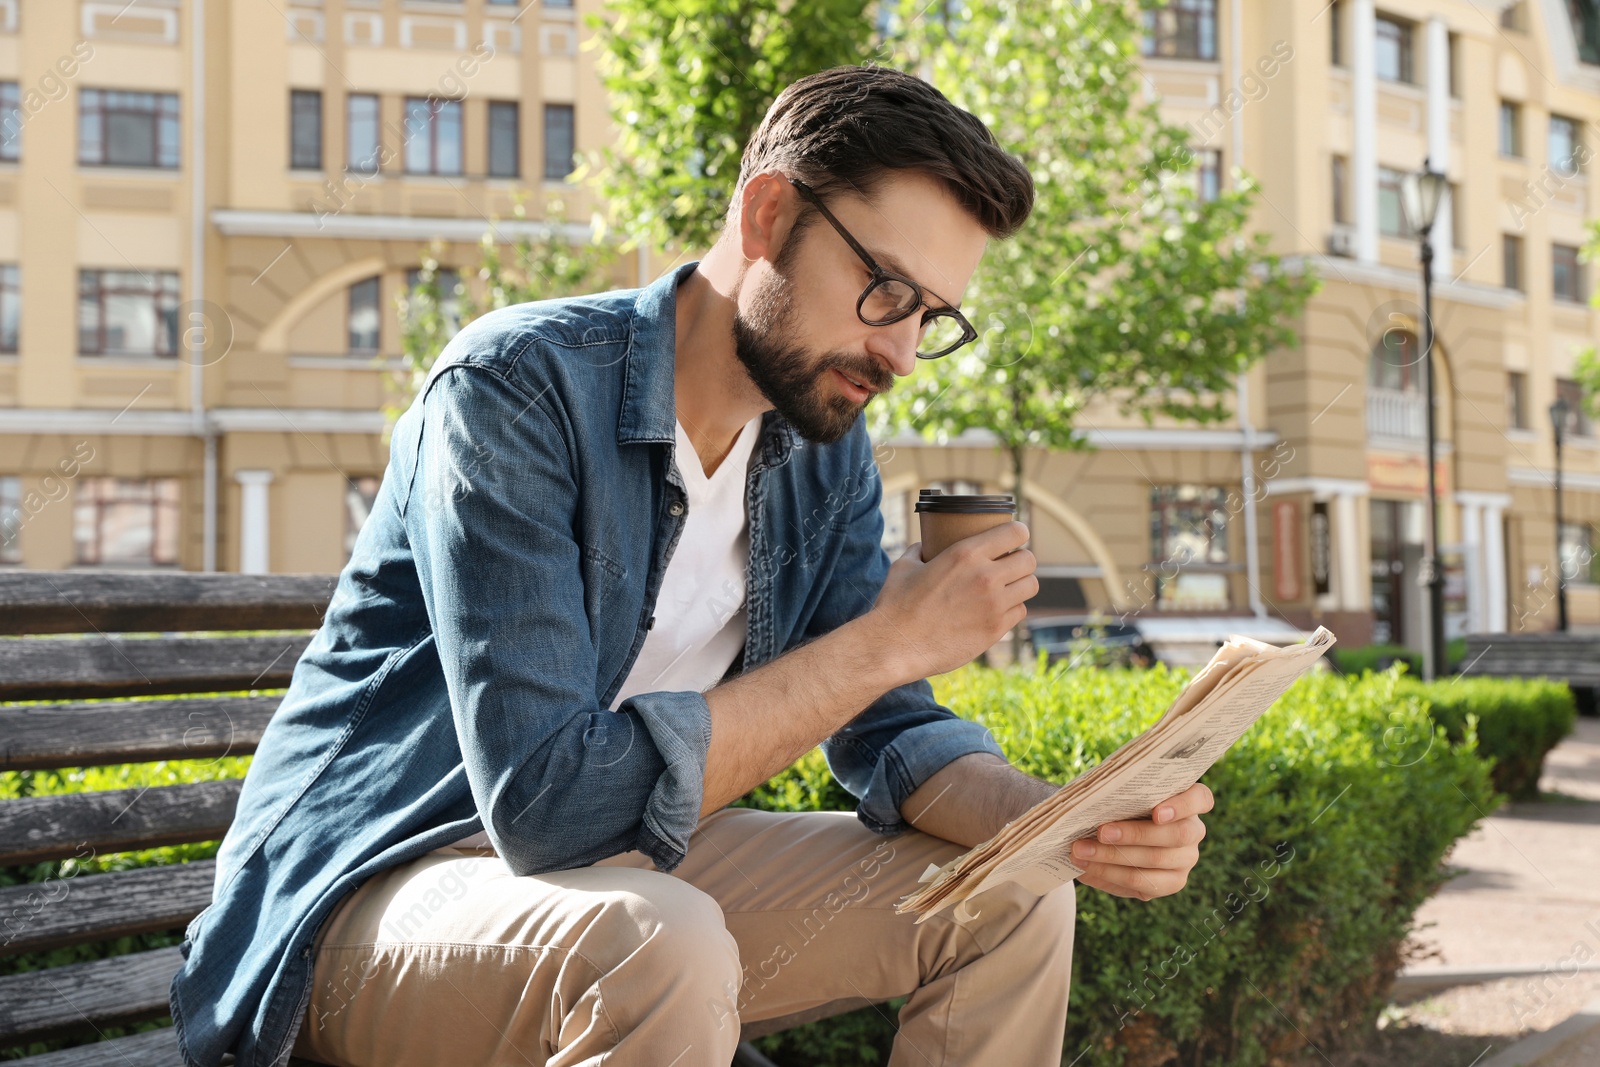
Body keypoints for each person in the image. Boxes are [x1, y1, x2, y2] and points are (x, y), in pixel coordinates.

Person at [169, 64, 1213, 1067]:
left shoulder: (821, 449)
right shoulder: (516, 392)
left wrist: (1070, 823)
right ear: (767, 218)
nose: (901, 354)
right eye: (886, 288)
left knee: (1015, 890)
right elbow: (546, 805)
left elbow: (890, 728)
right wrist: (888, 638)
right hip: (370, 899)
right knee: (657, 936)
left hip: (620, 888)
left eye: (931, 317)